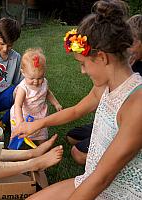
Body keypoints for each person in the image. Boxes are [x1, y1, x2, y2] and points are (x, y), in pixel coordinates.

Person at [11, 1, 142, 199]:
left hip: (116, 191)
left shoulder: (136, 105)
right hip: (92, 178)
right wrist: (37, 124)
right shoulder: (104, 87)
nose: (82, 71)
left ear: (102, 58)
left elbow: (103, 178)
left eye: (83, 63)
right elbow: (76, 111)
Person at [66, 13, 142, 167]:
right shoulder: (117, 72)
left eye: (132, 43)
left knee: (78, 153)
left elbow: (102, 178)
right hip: (111, 123)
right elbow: (80, 108)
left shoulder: (134, 92)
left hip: (126, 129)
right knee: (71, 137)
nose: (127, 49)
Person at [10, 48, 62, 144]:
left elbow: (48, 93)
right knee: (19, 136)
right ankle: (16, 149)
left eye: (40, 77)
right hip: (24, 116)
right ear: (23, 73)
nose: (36, 81)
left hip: (39, 115)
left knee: (41, 135)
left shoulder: (44, 82)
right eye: (32, 78)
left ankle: (42, 147)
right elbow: (18, 105)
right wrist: (20, 121)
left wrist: (56, 104)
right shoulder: (23, 88)